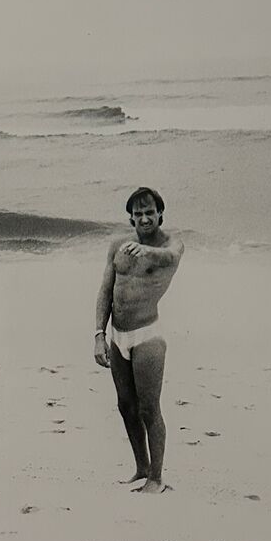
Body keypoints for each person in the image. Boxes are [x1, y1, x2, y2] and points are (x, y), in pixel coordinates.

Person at [93, 187, 185, 493]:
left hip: (147, 335)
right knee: (125, 406)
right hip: (118, 335)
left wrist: (148, 251)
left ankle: (156, 478)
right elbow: (106, 291)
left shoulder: (171, 244)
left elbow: (171, 255)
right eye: (138, 213)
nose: (144, 218)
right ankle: (141, 468)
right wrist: (98, 335)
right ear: (131, 218)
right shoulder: (118, 245)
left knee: (149, 408)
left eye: (150, 212)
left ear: (160, 214)